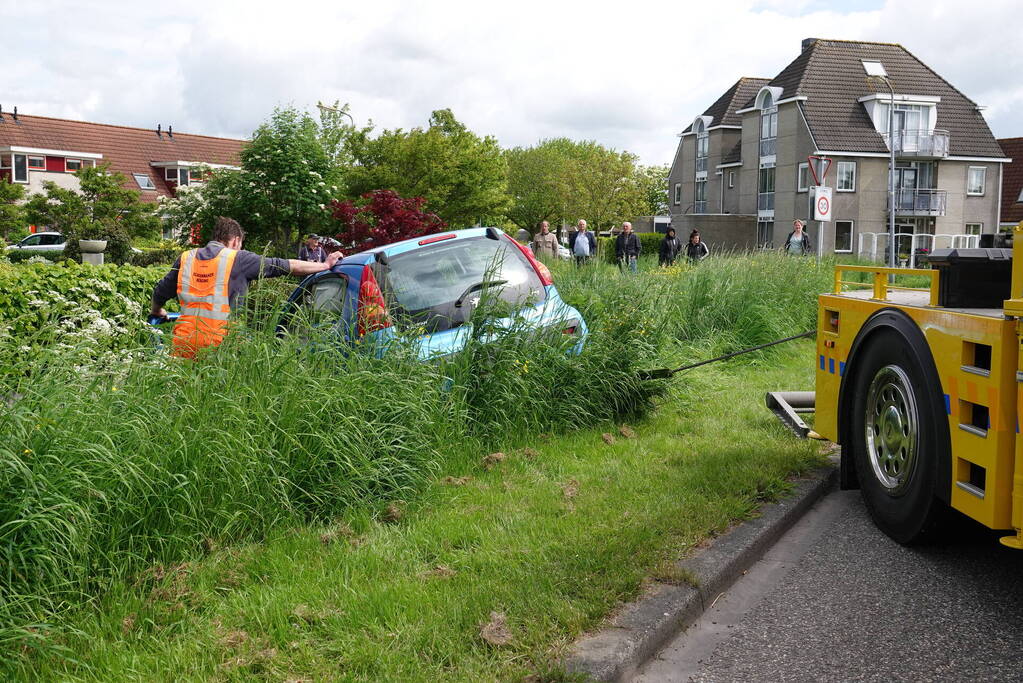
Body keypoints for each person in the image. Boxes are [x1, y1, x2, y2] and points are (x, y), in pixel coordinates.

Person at [150, 217, 341, 358]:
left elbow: (160, 292)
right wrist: (325, 265)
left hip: (183, 345)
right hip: (220, 347)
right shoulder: (238, 258)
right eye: (240, 244)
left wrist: (157, 311)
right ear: (235, 240)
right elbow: (286, 266)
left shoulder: (186, 258)